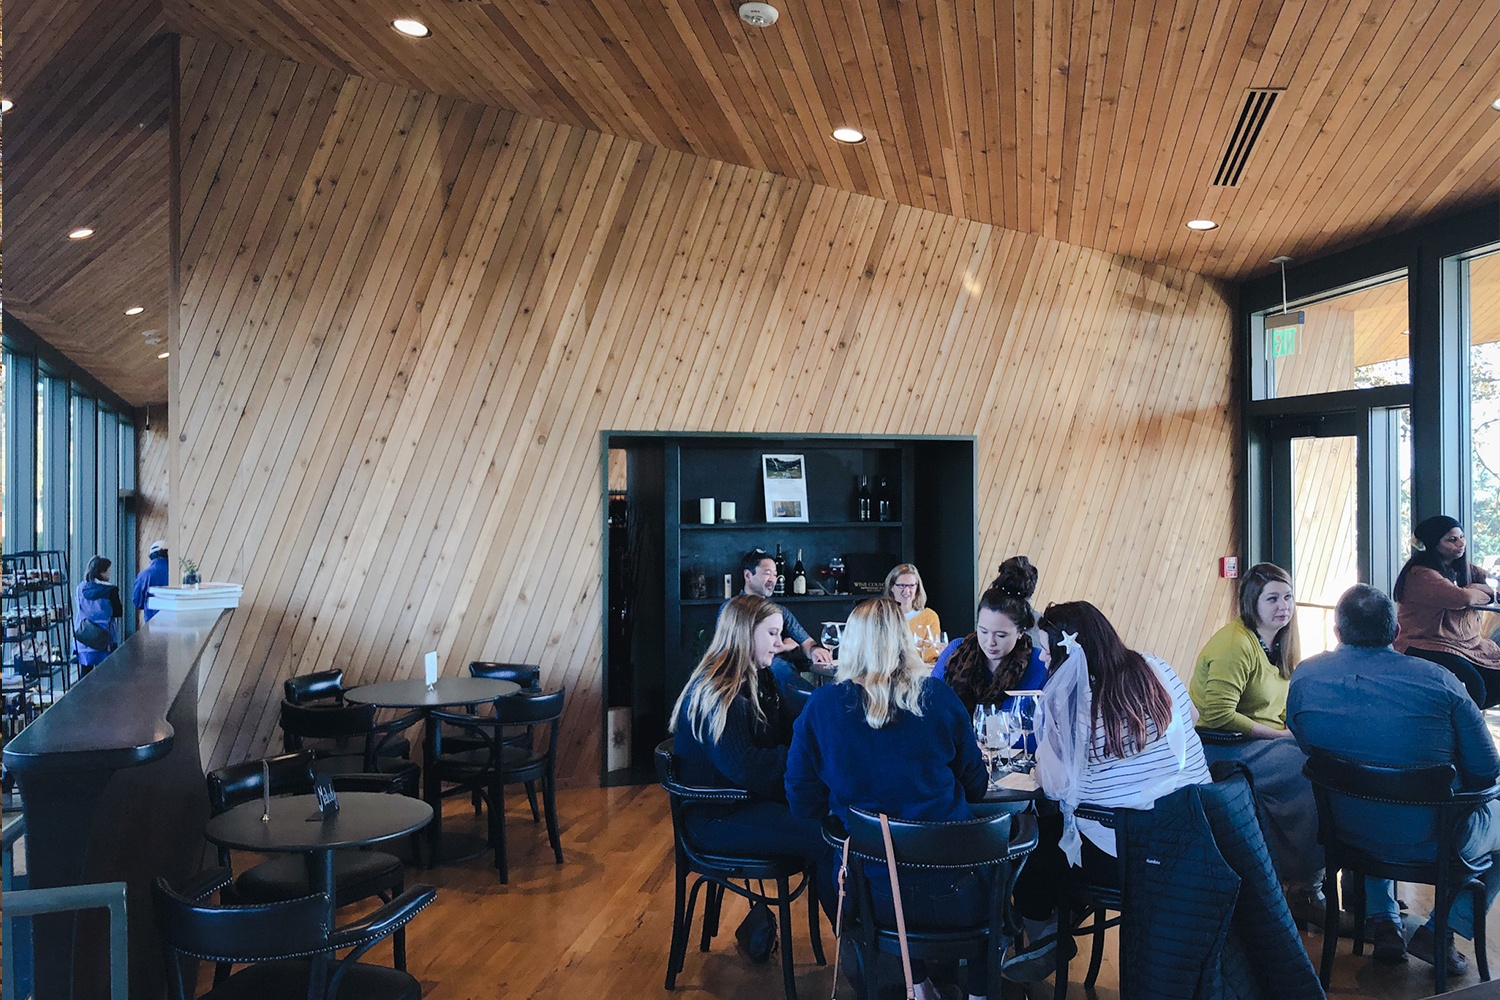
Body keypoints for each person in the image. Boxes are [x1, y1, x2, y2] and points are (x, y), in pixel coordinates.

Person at [1288, 584, 1500, 975]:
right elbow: (1487, 769)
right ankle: (1439, 933)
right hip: (1431, 837)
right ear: (1397, 630)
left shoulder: (1306, 677)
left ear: (1338, 632)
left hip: (1344, 830)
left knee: (1368, 799)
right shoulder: (1439, 682)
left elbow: (1305, 745)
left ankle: (1385, 920)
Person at [786, 598, 991, 1000]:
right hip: (956, 889)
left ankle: (913, 983)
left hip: (872, 892)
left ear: (851, 643)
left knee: (841, 855)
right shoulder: (939, 697)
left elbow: (802, 801)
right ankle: (979, 991)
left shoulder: (822, 707)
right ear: (905, 640)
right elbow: (977, 785)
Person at [1007, 600, 1212, 981]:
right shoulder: (1157, 668)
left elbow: (1052, 787)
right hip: (1196, 835)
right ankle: (1053, 928)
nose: (1043, 661)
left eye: (1047, 653)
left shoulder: (1069, 702)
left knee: (1032, 839)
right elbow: (1193, 718)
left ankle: (1045, 931)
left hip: (1127, 853)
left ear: (1067, 656)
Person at [1189, 562, 1324, 921]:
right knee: (1307, 770)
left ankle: (1320, 879)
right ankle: (1304, 881)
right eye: (1273, 598)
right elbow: (1217, 714)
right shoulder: (1236, 643)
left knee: (1327, 760)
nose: (1284, 606)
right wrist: (1281, 735)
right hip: (1224, 745)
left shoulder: (1279, 642)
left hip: (1266, 741)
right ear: (1252, 602)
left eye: (1289, 597)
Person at [670, 594, 823, 866]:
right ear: (744, 633)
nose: (780, 643)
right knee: (827, 837)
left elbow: (787, 731)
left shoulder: (758, 677)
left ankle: (852, 908)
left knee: (835, 819)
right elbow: (747, 767)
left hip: (744, 800)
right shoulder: (719, 691)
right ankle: (852, 909)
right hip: (717, 816)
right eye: (773, 633)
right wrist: (814, 759)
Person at [1393, 514, 1500, 708]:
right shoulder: (1421, 574)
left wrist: (1483, 590)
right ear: (1434, 543)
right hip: (1425, 643)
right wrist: (1479, 591)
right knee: (1475, 685)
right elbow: (1462, 599)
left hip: (1465, 644)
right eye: (1452, 539)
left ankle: (1461, 719)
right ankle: (1460, 724)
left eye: (1461, 537)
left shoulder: (1462, 568)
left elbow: (1493, 584)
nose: (1460, 543)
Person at [933, 556, 1047, 715]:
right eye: (983, 631)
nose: (990, 642)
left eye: (1001, 635)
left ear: (1021, 632)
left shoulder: (1039, 664)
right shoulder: (956, 652)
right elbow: (931, 704)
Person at [731, 549, 832, 696]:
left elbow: (805, 641)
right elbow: (734, 648)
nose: (773, 579)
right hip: (753, 676)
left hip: (783, 681)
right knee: (777, 667)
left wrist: (815, 650)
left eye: (775, 574)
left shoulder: (779, 611)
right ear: (748, 575)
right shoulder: (732, 609)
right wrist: (784, 647)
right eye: (767, 573)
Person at [74, 556, 123, 675]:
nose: (109, 573)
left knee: (84, 676)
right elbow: (118, 612)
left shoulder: (80, 588)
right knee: (105, 676)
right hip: (105, 639)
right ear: (101, 572)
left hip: (84, 638)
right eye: (108, 570)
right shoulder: (111, 590)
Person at [884, 563, 942, 663]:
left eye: (911, 586)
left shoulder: (929, 617)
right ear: (891, 588)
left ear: (917, 589)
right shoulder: (881, 616)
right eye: (902, 585)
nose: (907, 591)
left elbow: (931, 656)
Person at [133, 540, 169, 623]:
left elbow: (137, 601)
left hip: (152, 620)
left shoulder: (144, 575)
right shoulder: (178, 571)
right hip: (175, 620)